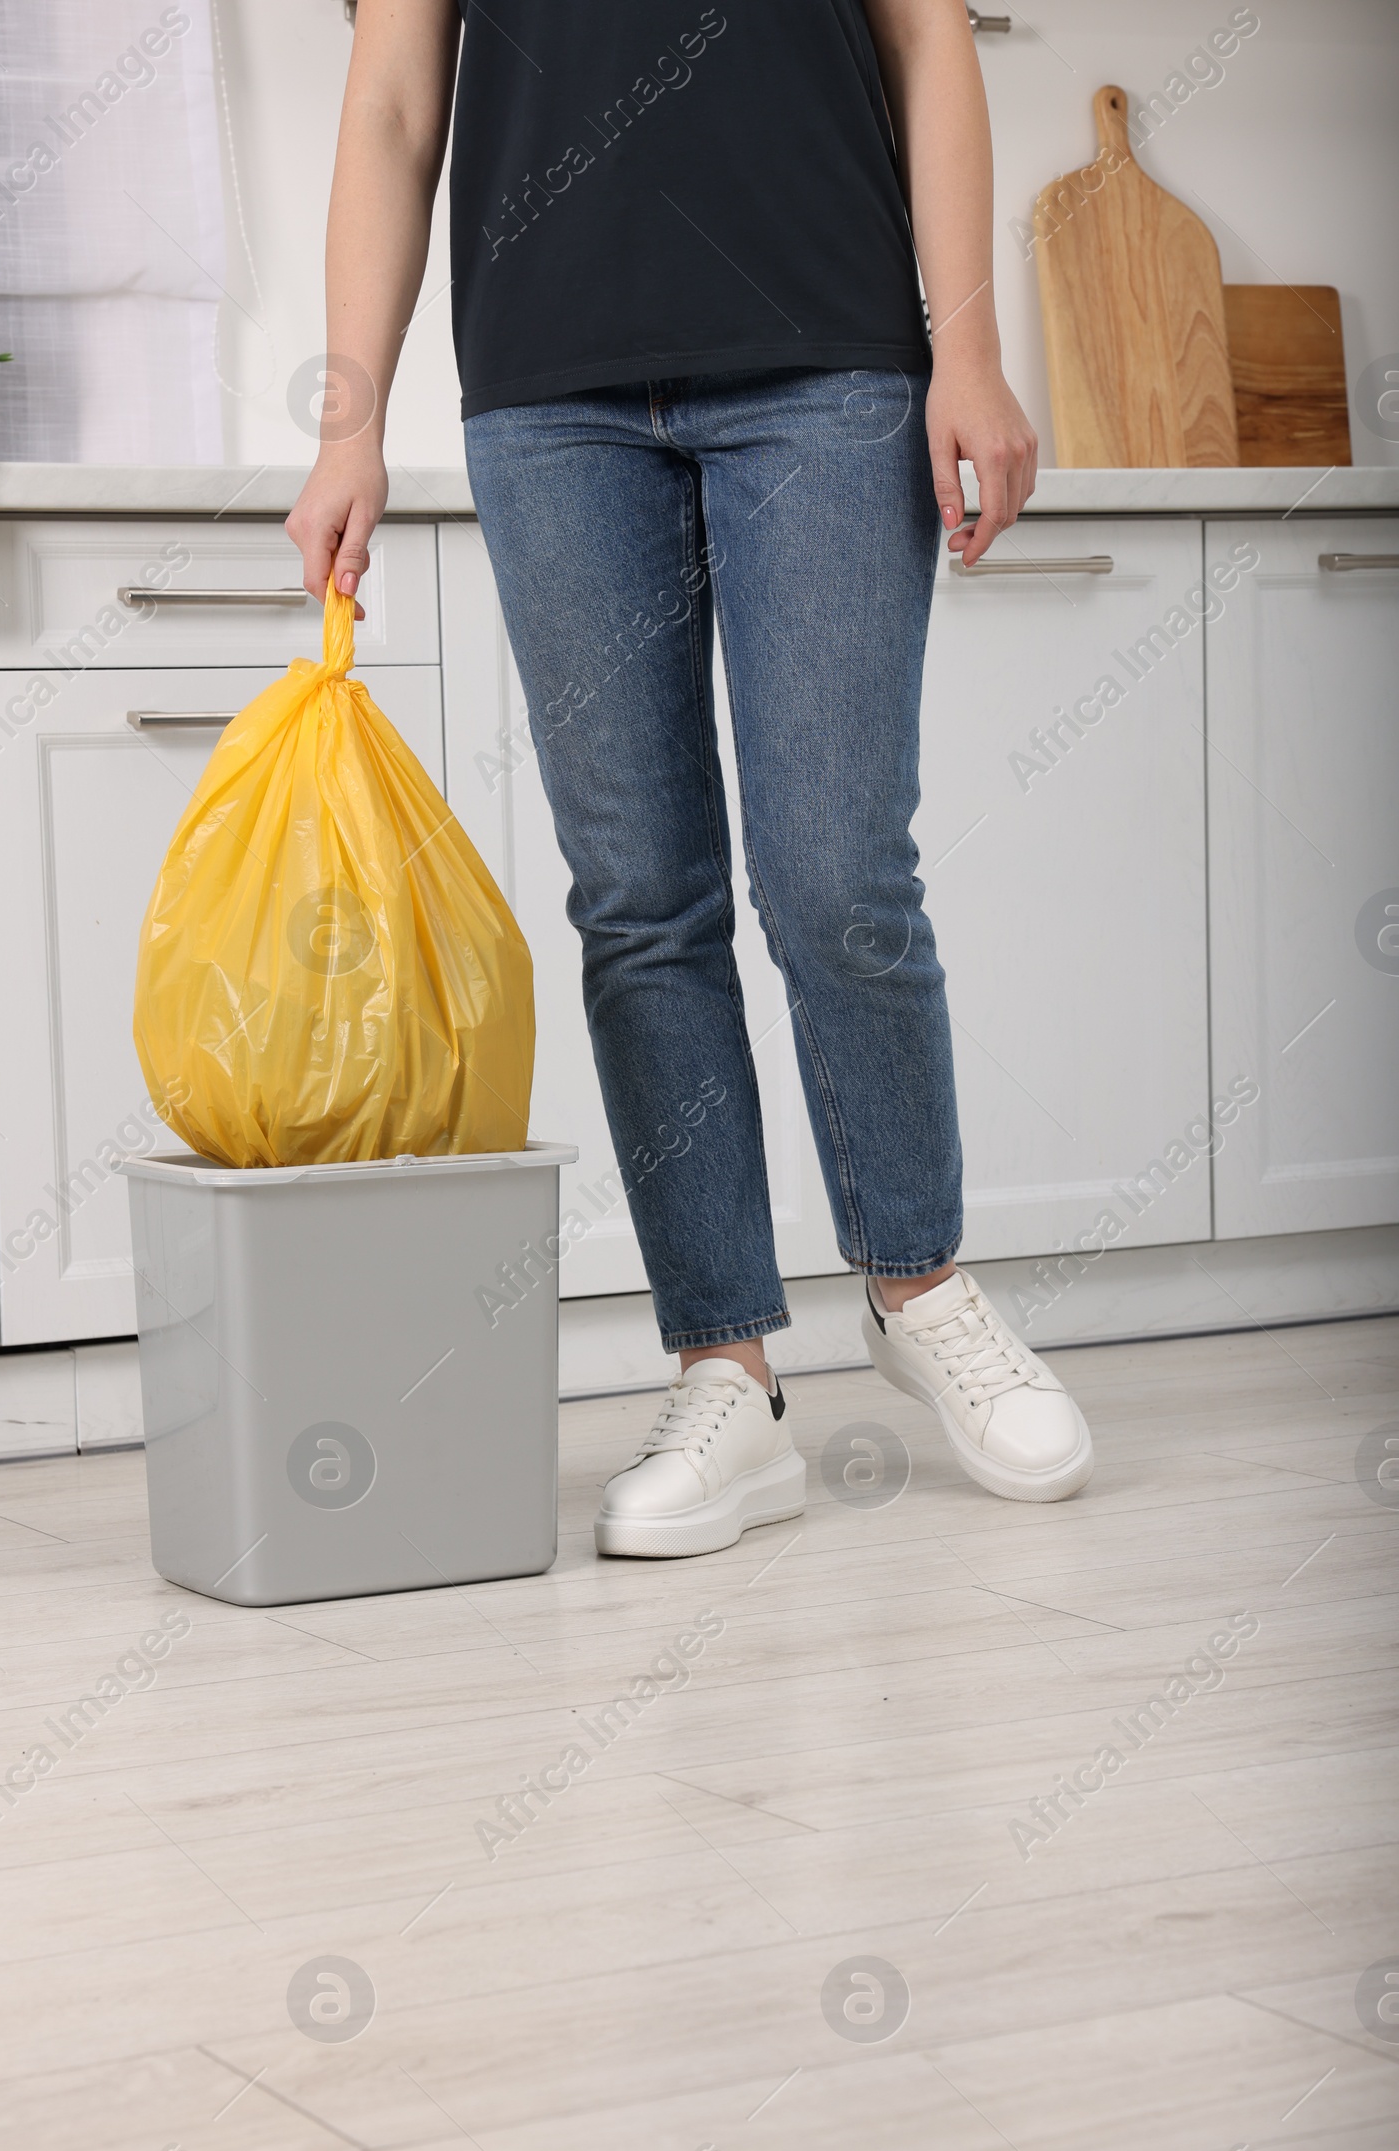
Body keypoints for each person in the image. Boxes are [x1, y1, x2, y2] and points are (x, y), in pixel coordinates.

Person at [288, 0, 1094, 1561]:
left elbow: (931, 43)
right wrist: (350, 424)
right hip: (550, 396)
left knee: (836, 873)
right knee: (642, 900)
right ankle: (722, 1368)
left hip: (832, 364)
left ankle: (917, 1284)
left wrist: (972, 349)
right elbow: (393, 101)